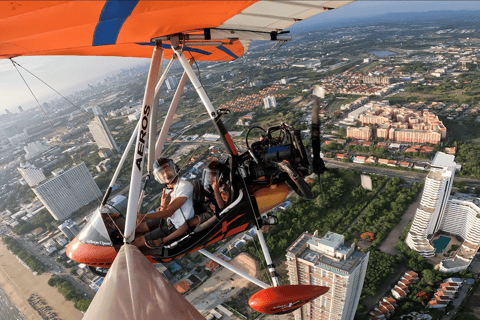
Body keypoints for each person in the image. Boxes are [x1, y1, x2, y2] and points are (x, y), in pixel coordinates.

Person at [133, 158, 194, 250]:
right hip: (167, 220)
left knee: (139, 240)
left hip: (176, 226)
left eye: (168, 169)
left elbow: (169, 212)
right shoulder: (167, 190)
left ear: (174, 168)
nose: (166, 174)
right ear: (158, 177)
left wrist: (143, 217)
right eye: (161, 173)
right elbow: (164, 213)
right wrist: (163, 205)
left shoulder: (185, 186)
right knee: (139, 227)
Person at [188, 160, 231, 227]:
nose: (208, 177)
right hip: (206, 206)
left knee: (190, 223)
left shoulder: (223, 189)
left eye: (211, 175)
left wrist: (216, 190)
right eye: (208, 174)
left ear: (220, 177)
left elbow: (221, 206)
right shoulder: (212, 186)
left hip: (212, 212)